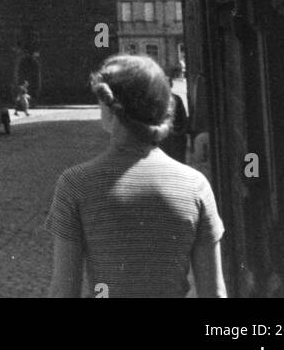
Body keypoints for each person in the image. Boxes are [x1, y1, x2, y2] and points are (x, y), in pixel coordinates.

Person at [46, 54, 226, 298]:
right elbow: (214, 293)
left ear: (110, 111)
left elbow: (63, 292)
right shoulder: (195, 186)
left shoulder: (75, 184)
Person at [160, 64, 188, 164]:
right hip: (168, 138)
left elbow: (183, 117)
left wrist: (181, 131)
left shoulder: (176, 99)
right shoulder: (158, 100)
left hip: (174, 137)